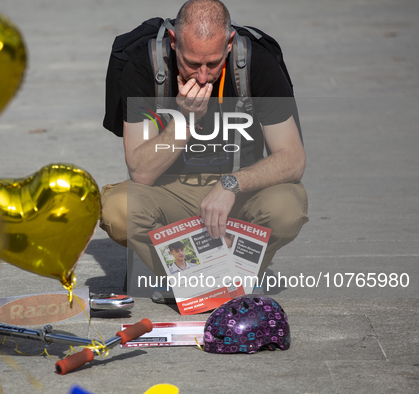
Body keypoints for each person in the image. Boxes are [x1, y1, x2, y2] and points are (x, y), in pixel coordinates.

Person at [100, 0, 308, 282]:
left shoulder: (257, 63)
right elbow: (141, 170)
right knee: (117, 210)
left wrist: (231, 184)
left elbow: (292, 159)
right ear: (174, 41)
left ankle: (233, 276)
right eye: (192, 63)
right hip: (170, 191)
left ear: (230, 43)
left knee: (286, 209)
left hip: (239, 192)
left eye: (213, 63)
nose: (202, 76)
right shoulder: (145, 67)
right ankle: (183, 281)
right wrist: (185, 118)